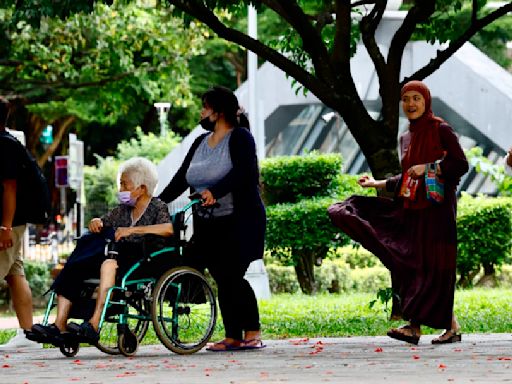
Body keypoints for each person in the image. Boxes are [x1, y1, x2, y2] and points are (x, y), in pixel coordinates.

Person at [328, 80, 469, 345]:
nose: (411, 104)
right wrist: (377, 184)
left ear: (426, 101)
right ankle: (422, 328)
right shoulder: (407, 136)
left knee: (434, 267)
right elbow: (407, 176)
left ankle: (442, 327)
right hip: (411, 209)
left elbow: (460, 164)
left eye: (416, 98)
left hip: (437, 212)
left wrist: (431, 168)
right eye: (406, 99)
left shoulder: (441, 129)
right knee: (412, 265)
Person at [159, 85, 266, 351]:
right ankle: (232, 336)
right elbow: (182, 179)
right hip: (208, 223)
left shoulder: (240, 138)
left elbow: (246, 174)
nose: (201, 112)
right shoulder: (199, 143)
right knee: (220, 276)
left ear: (217, 113)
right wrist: (156, 203)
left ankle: (250, 331)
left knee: (231, 276)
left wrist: (214, 191)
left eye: (204, 107)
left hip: (239, 221)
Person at [31, 157, 173, 343]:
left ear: (142, 188)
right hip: (114, 254)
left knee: (108, 264)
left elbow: (168, 229)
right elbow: (103, 221)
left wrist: (133, 230)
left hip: (142, 257)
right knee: (76, 265)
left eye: (124, 185)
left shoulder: (157, 206)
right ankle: (59, 324)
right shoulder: (122, 210)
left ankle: (94, 324)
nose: (120, 190)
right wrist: (96, 222)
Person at [0, 97, 41, 351]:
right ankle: (29, 335)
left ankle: (29, 335)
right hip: (13, 221)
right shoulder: (8, 142)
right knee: (15, 273)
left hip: (9, 222)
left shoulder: (4, 146)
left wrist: (5, 226)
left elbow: (9, 188)